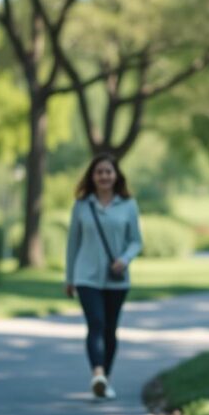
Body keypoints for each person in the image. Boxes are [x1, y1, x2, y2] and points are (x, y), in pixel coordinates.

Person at [64, 153, 143, 400]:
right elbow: (72, 244)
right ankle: (97, 373)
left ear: (116, 175)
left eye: (108, 171)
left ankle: (104, 380)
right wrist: (69, 278)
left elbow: (136, 241)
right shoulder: (82, 205)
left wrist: (125, 259)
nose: (104, 176)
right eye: (99, 172)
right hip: (86, 277)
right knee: (96, 324)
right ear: (92, 176)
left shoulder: (128, 205)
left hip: (117, 279)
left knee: (110, 330)